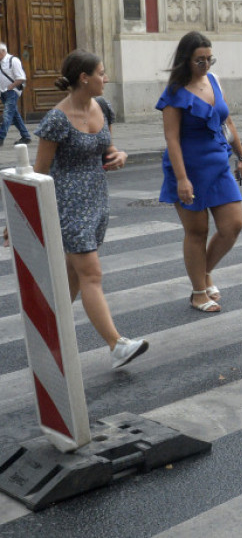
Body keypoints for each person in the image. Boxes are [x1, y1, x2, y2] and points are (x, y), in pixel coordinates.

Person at [33, 50, 148, 368]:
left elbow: (108, 149)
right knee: (91, 274)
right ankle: (117, 345)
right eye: (101, 72)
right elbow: (40, 171)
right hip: (68, 206)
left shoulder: (104, 108)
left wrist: (120, 155)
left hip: (97, 201)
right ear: (84, 78)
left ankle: (48, 329)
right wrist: (21, 213)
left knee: (73, 274)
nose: (106, 78)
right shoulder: (57, 119)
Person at [157, 32, 242, 314]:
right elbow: (172, 139)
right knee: (197, 231)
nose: (206, 64)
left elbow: (225, 119)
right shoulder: (174, 93)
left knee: (233, 225)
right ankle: (198, 292)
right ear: (187, 59)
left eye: (210, 58)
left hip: (218, 163)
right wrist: (182, 179)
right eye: (200, 60)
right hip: (188, 167)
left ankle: (204, 272)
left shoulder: (214, 80)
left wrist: (241, 155)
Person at [0, 42, 32, 148]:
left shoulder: (13, 60)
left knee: (7, 114)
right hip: (3, 91)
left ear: (3, 51)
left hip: (12, 91)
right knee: (14, 115)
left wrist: (11, 86)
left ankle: (1, 137)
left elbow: (21, 78)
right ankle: (26, 136)